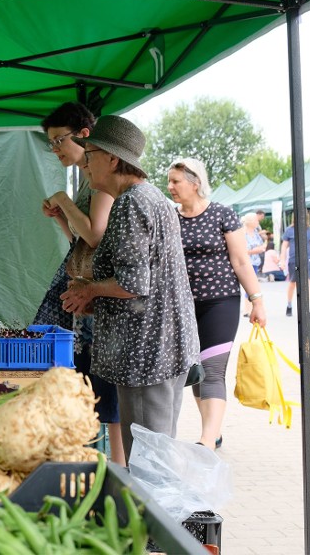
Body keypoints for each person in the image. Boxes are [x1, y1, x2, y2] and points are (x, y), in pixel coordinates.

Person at [59, 115, 200, 462]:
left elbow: (133, 283)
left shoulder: (131, 203)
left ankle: (155, 516)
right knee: (158, 453)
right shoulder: (152, 199)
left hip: (145, 352)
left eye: (89, 155)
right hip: (164, 345)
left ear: (111, 158)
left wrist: (88, 290)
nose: (85, 166)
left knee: (149, 461)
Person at [34, 102, 124, 465]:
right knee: (89, 380)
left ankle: (117, 467)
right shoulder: (88, 180)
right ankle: (92, 459)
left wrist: (62, 200)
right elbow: (79, 240)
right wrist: (62, 215)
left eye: (59, 141)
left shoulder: (101, 182)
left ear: (84, 135)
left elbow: (96, 234)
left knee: (104, 387)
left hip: (101, 299)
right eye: (51, 144)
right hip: (87, 297)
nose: (55, 150)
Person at [167, 157, 267, 450]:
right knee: (196, 371)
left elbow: (240, 260)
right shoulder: (170, 217)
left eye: (176, 181)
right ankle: (212, 430)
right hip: (182, 306)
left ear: (195, 182)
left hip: (220, 302)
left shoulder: (222, 214)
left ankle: (207, 441)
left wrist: (257, 300)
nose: (170, 186)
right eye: (169, 181)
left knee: (212, 369)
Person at [280, 216, 310, 318]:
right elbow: (284, 246)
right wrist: (282, 260)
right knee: (293, 283)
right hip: (294, 260)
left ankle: (306, 309)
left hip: (307, 260)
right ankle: (289, 305)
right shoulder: (289, 230)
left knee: (307, 284)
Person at [242, 213, 266, 315]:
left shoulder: (256, 233)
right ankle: (247, 309)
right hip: (246, 263)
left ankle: (250, 309)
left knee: (253, 286)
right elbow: (242, 250)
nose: (258, 222)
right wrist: (254, 251)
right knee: (250, 286)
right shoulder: (243, 233)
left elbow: (262, 245)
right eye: (256, 220)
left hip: (255, 262)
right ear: (250, 222)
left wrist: (258, 249)